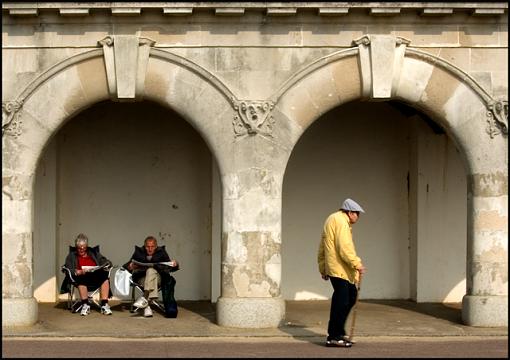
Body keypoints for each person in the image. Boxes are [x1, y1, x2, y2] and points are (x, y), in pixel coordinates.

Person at [317, 198, 367, 348]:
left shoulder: (334, 219)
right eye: (357, 214)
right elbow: (344, 247)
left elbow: (322, 246)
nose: (358, 217)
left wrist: (323, 267)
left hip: (337, 268)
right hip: (339, 269)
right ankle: (334, 336)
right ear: (350, 212)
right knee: (342, 300)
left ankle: (339, 332)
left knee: (350, 296)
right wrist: (357, 263)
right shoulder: (340, 222)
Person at [123, 236, 179, 318]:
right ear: (144, 246)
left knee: (151, 271)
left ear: (156, 247)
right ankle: (147, 304)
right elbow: (126, 266)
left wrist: (175, 264)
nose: (150, 249)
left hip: (158, 278)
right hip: (142, 279)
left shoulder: (161, 252)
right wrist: (130, 266)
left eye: (152, 247)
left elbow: (169, 267)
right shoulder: (139, 252)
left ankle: (145, 300)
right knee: (150, 271)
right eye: (147, 247)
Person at [62, 233, 113, 316]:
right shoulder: (71, 256)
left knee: (105, 277)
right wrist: (77, 271)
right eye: (79, 248)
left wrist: (107, 264)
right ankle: (85, 305)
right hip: (81, 277)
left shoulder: (93, 252)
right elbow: (67, 268)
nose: (82, 250)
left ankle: (104, 305)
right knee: (81, 278)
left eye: (84, 248)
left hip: (95, 276)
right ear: (76, 247)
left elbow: (105, 261)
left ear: (86, 246)